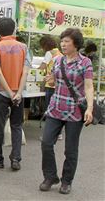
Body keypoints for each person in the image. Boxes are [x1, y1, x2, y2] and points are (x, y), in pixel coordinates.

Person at [39, 28, 95, 195]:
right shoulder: (58, 61)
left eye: (67, 41)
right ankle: (50, 177)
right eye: (62, 41)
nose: (63, 44)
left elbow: (88, 86)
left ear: (76, 44)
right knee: (46, 143)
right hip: (55, 108)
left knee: (70, 149)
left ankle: (66, 181)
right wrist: (51, 78)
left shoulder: (85, 63)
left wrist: (90, 109)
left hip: (74, 111)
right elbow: (57, 78)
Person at [0, 17, 31, 171]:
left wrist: (9, 93)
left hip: (2, 93)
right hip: (19, 94)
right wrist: (17, 92)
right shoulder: (24, 47)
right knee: (16, 126)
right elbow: (25, 72)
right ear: (14, 29)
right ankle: (16, 159)